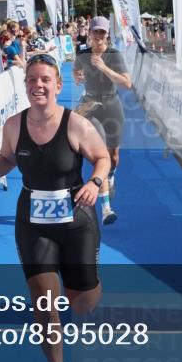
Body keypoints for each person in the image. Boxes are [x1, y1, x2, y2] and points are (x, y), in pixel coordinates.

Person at [0, 54, 110, 362]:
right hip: (33, 221)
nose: (38, 86)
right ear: (25, 86)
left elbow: (103, 156)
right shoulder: (14, 125)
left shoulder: (75, 124)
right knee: (44, 301)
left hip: (76, 218)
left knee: (81, 302)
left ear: (58, 85)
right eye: (31, 80)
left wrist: (95, 182)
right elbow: (7, 159)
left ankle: (89, 282)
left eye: (44, 80)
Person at [72, 16, 130, 225]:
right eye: (95, 32)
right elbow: (75, 70)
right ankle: (106, 208)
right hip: (91, 107)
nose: (98, 36)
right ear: (90, 33)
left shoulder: (114, 55)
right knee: (102, 155)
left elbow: (127, 83)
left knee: (113, 156)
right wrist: (77, 77)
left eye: (102, 32)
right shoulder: (83, 54)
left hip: (112, 105)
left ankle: (112, 174)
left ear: (107, 35)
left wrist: (104, 67)